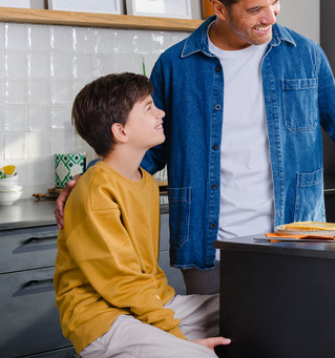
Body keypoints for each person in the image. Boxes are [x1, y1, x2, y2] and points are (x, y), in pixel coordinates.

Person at [56, 0, 335, 294]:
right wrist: (91, 179)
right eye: (255, 10)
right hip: (207, 247)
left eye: (275, 3)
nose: (271, 18)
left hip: (297, 238)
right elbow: (145, 151)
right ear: (219, 8)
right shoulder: (175, 66)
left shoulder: (304, 54)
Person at [54, 73, 229, 357]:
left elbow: (139, 279)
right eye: (149, 108)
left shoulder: (145, 182)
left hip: (149, 302)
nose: (161, 112)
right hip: (101, 318)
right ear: (121, 132)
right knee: (201, 355)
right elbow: (122, 282)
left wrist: (165, 324)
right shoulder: (95, 190)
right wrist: (177, 338)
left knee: (246, 310)